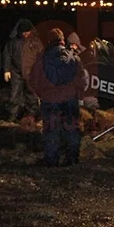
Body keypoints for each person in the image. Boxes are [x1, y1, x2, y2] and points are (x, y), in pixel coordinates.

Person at [29, 28, 85, 167]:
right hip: (70, 99)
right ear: (62, 40)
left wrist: (42, 94)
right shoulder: (74, 58)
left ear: (49, 41)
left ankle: (52, 160)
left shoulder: (41, 58)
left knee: (51, 130)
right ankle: (72, 159)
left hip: (50, 100)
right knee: (72, 129)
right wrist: (76, 94)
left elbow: (34, 80)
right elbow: (82, 80)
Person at [2, 18, 44, 123]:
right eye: (24, 32)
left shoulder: (36, 41)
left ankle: (32, 116)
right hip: (16, 72)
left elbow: (41, 57)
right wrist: (6, 70)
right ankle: (12, 115)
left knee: (32, 96)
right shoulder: (13, 41)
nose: (26, 34)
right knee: (14, 95)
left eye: (27, 32)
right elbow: (7, 55)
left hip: (31, 73)